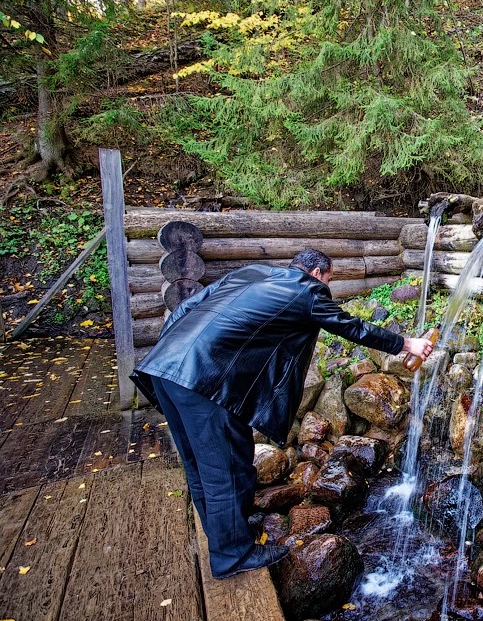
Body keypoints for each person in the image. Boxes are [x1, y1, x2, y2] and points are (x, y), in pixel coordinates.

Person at [131, 248, 434, 579]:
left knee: (199, 464)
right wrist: (407, 344)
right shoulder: (307, 289)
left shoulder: (252, 272)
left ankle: (225, 533)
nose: (326, 288)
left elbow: (185, 309)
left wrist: (171, 355)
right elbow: (349, 326)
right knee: (226, 469)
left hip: (167, 366)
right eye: (329, 281)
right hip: (202, 378)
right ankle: (231, 556)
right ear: (317, 273)